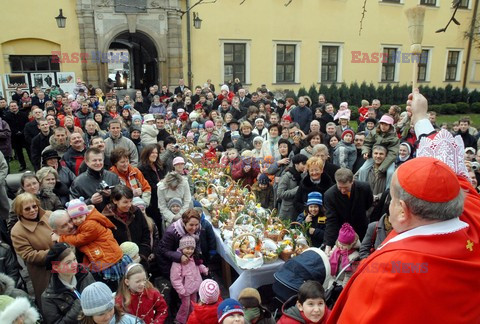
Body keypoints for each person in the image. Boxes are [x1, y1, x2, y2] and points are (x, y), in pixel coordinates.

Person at [328, 89, 480, 323]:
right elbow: (448, 171)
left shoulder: (388, 274)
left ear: (402, 210)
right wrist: (420, 118)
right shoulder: (472, 215)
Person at [56, 198, 129, 290]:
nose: (78, 220)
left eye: (80, 217)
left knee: (114, 287)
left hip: (108, 260)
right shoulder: (84, 224)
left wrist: (60, 238)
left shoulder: (90, 224)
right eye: (74, 218)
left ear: (86, 214)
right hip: (106, 258)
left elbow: (79, 240)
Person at [10, 193, 53, 309]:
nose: (33, 210)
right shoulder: (17, 231)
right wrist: (53, 252)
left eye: (34, 206)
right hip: (44, 273)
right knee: (51, 305)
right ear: (19, 211)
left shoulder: (49, 215)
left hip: (65, 265)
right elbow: (28, 255)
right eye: (27, 209)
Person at [41, 242, 96, 324]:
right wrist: (79, 305)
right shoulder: (49, 297)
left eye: (74, 259)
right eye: (68, 262)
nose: (75, 265)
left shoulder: (85, 275)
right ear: (56, 267)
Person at [323, 168, 373, 256]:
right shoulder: (329, 195)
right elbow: (331, 221)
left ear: (352, 181)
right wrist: (328, 244)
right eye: (340, 187)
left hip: (362, 229)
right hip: (343, 235)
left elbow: (369, 205)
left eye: (346, 187)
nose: (343, 191)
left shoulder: (364, 188)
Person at [101, 185, 151, 263]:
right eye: (125, 202)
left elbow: (146, 234)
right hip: (119, 262)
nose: (129, 205)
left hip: (139, 259)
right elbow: (106, 243)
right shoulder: (106, 218)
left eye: (130, 201)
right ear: (115, 201)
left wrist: (142, 256)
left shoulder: (136, 212)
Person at [170, 236, 208, 324]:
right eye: (187, 248)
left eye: (192, 248)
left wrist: (204, 269)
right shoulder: (178, 262)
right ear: (182, 248)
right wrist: (181, 290)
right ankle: (180, 320)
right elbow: (175, 278)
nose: (190, 251)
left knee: (193, 303)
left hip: (194, 287)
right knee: (185, 305)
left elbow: (198, 266)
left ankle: (192, 317)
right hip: (185, 289)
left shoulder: (194, 257)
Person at [70, 147, 120, 212]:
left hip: (113, 216)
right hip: (91, 218)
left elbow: (123, 197)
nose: (98, 163)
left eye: (100, 160)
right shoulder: (78, 182)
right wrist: (90, 201)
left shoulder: (113, 177)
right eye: (94, 160)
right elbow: (72, 208)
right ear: (87, 162)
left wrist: (112, 194)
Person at [155, 209, 202, 278]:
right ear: (184, 223)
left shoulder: (198, 228)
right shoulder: (171, 232)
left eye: (196, 225)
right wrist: (180, 257)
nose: (194, 228)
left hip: (187, 260)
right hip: (170, 262)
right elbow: (164, 250)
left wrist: (198, 254)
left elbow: (197, 242)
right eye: (191, 225)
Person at [138, 144, 165, 232]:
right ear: (147, 153)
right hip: (151, 201)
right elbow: (149, 186)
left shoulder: (158, 166)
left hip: (161, 197)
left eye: (156, 153)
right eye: (152, 153)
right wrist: (162, 185)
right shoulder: (142, 168)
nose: (155, 155)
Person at [277, 154, 308, 220]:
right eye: (303, 163)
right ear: (296, 164)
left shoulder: (304, 175)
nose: (305, 166)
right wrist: (297, 189)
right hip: (288, 211)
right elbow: (280, 193)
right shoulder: (287, 176)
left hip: (300, 210)